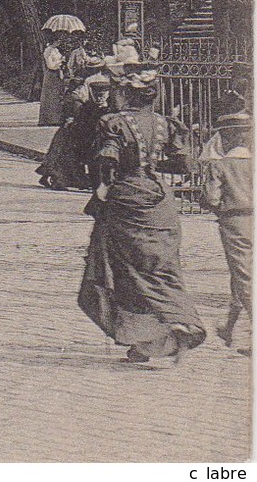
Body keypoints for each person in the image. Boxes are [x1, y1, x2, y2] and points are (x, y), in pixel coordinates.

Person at [78, 70, 206, 365]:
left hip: (127, 197)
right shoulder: (166, 124)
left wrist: (104, 187)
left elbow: (108, 160)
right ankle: (158, 335)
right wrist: (154, 161)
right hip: (160, 201)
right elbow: (186, 163)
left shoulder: (114, 123)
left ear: (126, 95)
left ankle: (154, 333)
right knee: (161, 265)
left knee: (125, 270)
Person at [203, 111, 252, 351]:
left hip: (235, 223)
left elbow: (212, 198)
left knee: (244, 275)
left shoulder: (220, 166)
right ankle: (229, 329)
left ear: (227, 137)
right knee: (240, 274)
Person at [38, 73, 111, 191]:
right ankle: (65, 180)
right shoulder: (79, 102)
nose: (99, 98)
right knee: (67, 159)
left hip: (76, 135)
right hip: (77, 136)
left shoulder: (84, 102)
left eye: (102, 95)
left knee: (63, 158)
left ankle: (79, 181)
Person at [38, 32, 66, 126]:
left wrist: (61, 60)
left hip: (58, 73)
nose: (59, 42)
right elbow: (50, 65)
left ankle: (57, 118)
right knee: (50, 96)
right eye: (58, 40)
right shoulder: (48, 51)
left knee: (57, 96)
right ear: (53, 41)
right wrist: (60, 62)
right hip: (51, 74)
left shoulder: (56, 50)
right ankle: (48, 120)